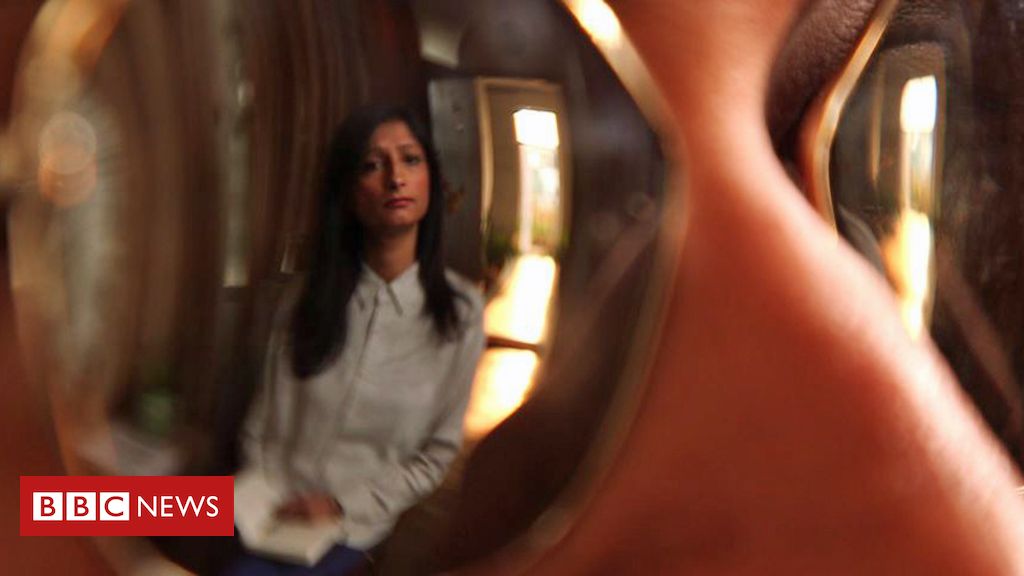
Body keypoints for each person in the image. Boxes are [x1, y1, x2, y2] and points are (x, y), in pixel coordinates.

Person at [225, 104, 485, 575]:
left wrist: (341, 504)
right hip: (258, 504)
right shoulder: (302, 299)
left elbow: (435, 456)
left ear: (430, 177)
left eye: (410, 160)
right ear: (347, 192)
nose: (395, 178)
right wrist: (258, 491)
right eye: (371, 165)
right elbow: (262, 421)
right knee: (98, 507)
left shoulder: (460, 313)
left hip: (349, 528)